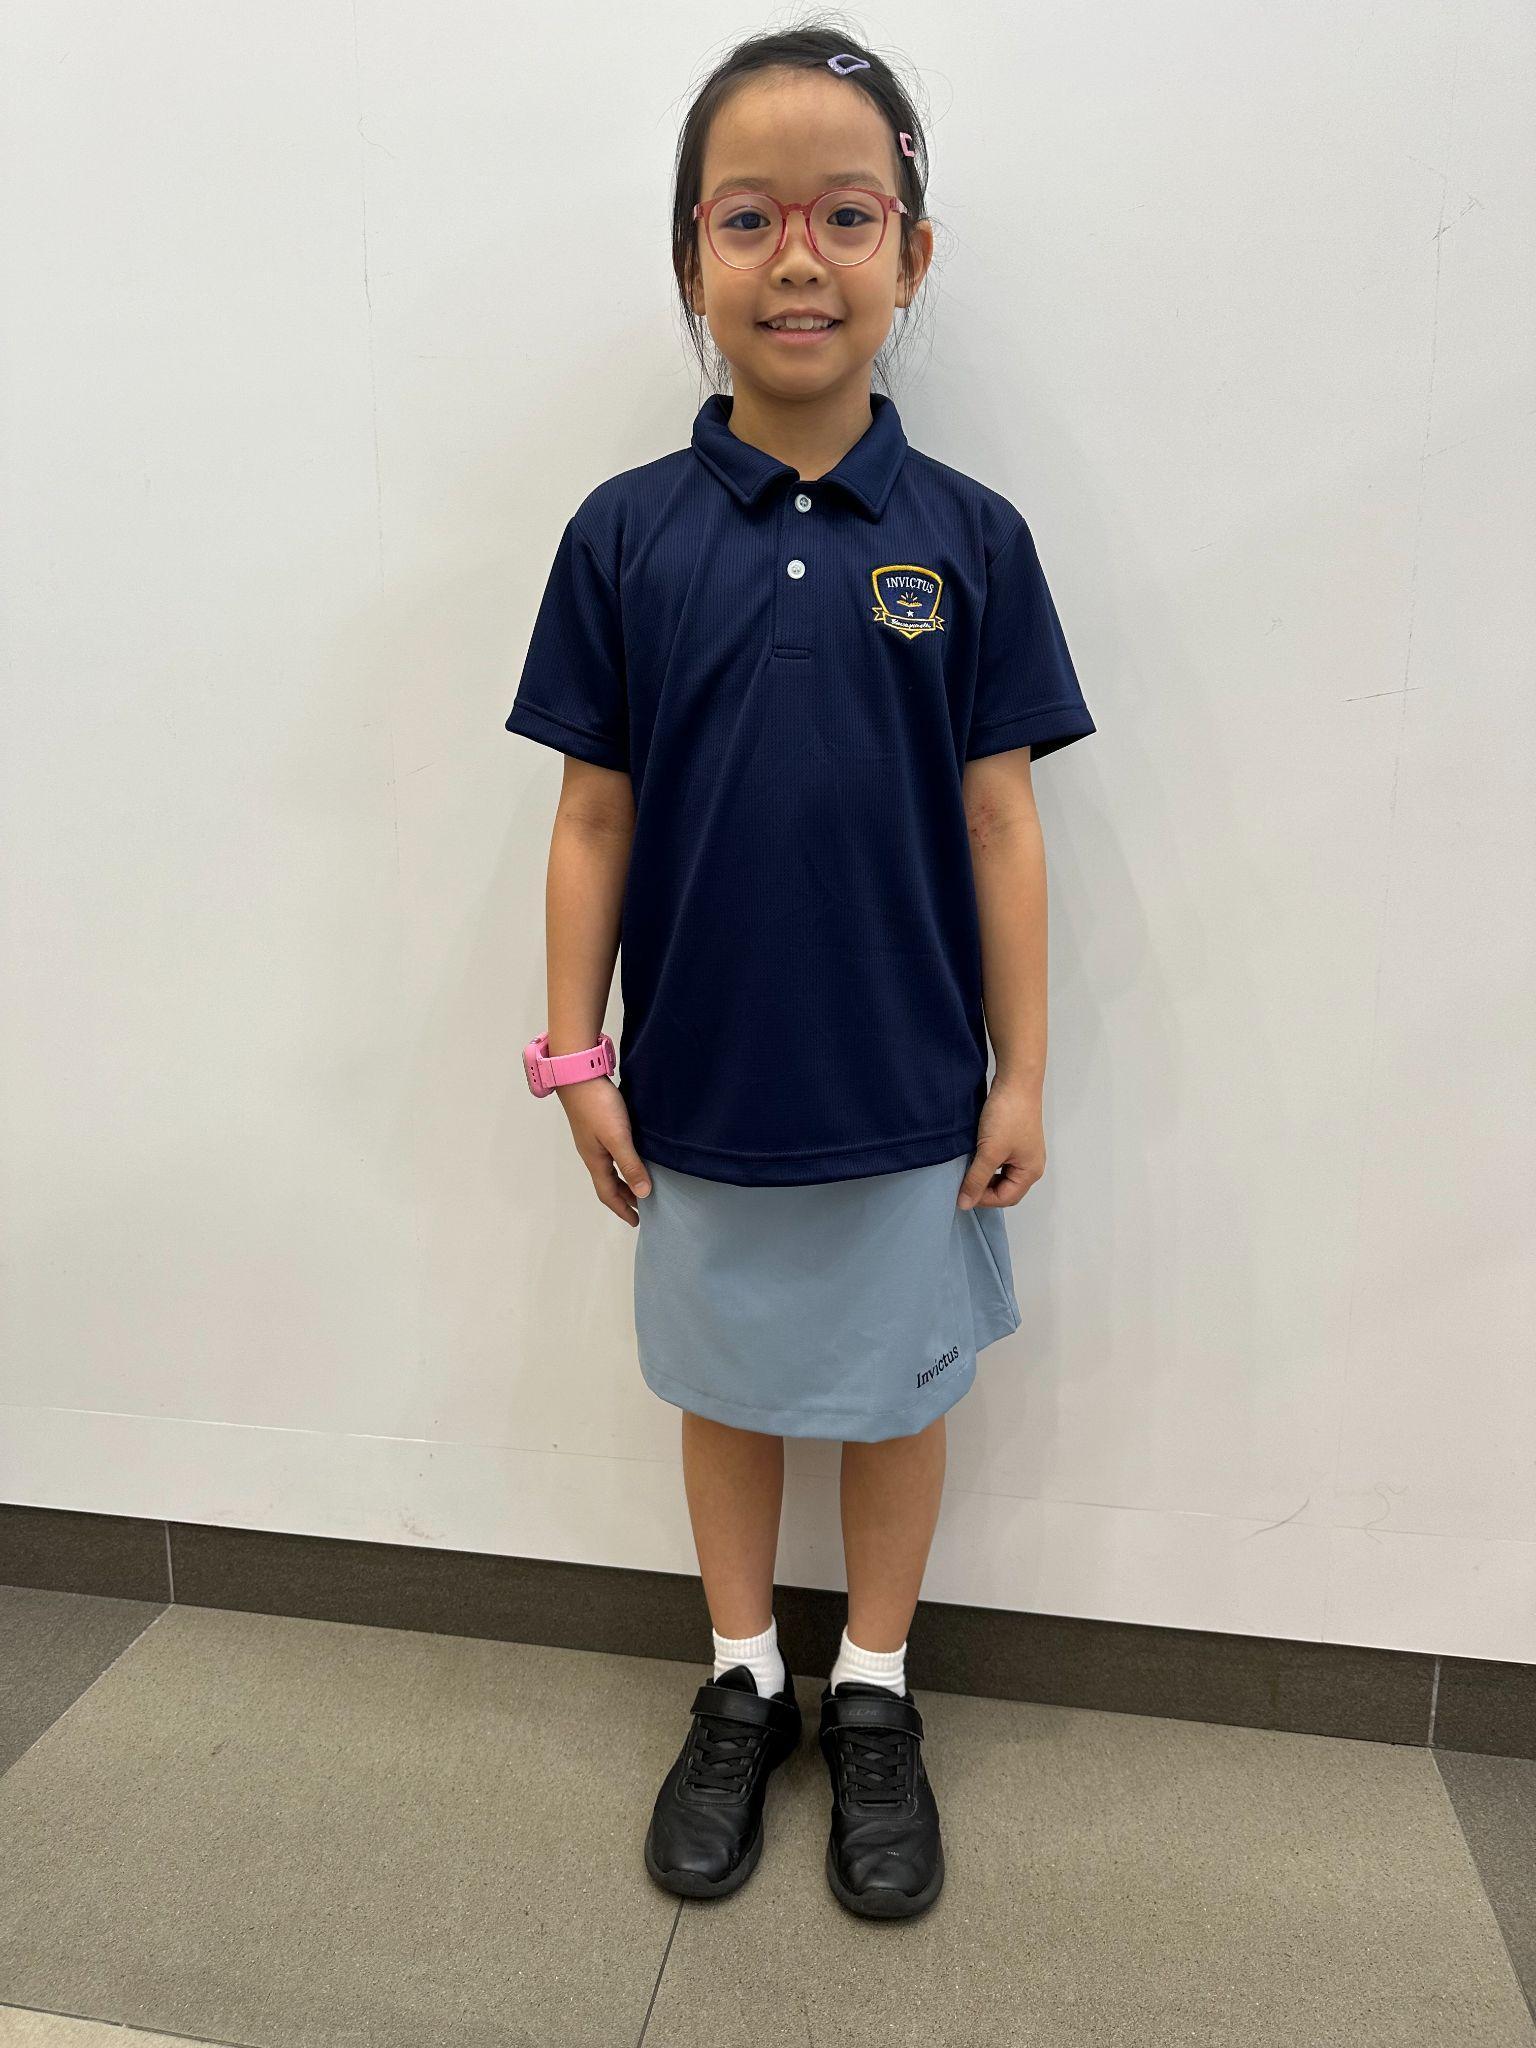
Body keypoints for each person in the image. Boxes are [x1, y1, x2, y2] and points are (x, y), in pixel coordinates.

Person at [505, 25, 1096, 1922]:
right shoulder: (623, 536)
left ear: (911, 252)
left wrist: (1019, 1071)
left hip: (911, 1084)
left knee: (899, 1394)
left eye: (847, 215)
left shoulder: (973, 539)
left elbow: (1002, 821)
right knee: (732, 1382)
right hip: (699, 1082)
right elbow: (592, 817)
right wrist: (575, 1058)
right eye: (746, 218)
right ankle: (745, 1675)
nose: (797, 260)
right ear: (690, 256)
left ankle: (877, 1691)